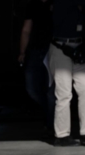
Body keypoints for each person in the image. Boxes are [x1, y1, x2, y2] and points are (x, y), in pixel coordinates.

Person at [48, 0, 85, 146]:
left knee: (84, 89)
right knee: (64, 92)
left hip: (78, 46)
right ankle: (62, 135)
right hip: (60, 46)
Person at [18, 0, 55, 135]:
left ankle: (51, 124)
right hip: (35, 51)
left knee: (51, 90)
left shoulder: (57, 3)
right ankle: (49, 112)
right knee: (31, 88)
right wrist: (22, 52)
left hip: (53, 49)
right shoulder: (32, 4)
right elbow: (26, 30)